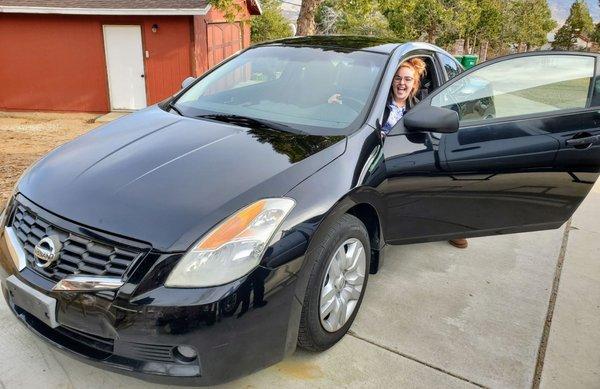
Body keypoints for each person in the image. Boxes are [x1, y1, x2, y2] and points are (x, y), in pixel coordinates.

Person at [382, 58, 469, 249]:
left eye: (407, 79)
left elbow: (424, 139)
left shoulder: (419, 108)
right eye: (397, 78)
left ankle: (453, 226)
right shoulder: (379, 104)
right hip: (380, 158)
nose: (401, 83)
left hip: (406, 158)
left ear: (414, 85)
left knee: (445, 180)